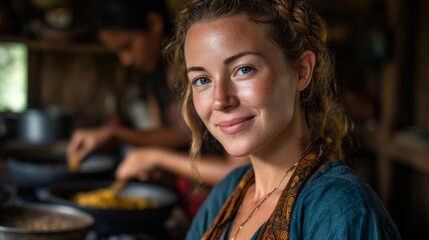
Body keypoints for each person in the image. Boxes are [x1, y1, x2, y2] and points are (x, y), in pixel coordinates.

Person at [164, 0, 401, 239]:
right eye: (202, 80)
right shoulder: (228, 192)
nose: (220, 100)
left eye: (244, 69)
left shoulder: (339, 207)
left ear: (301, 71)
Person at [66, 0, 248, 188]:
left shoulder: (204, 68)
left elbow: (237, 173)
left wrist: (155, 157)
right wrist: (114, 135)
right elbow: (175, 133)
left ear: (154, 24)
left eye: (127, 46)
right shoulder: (155, 74)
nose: (125, 60)